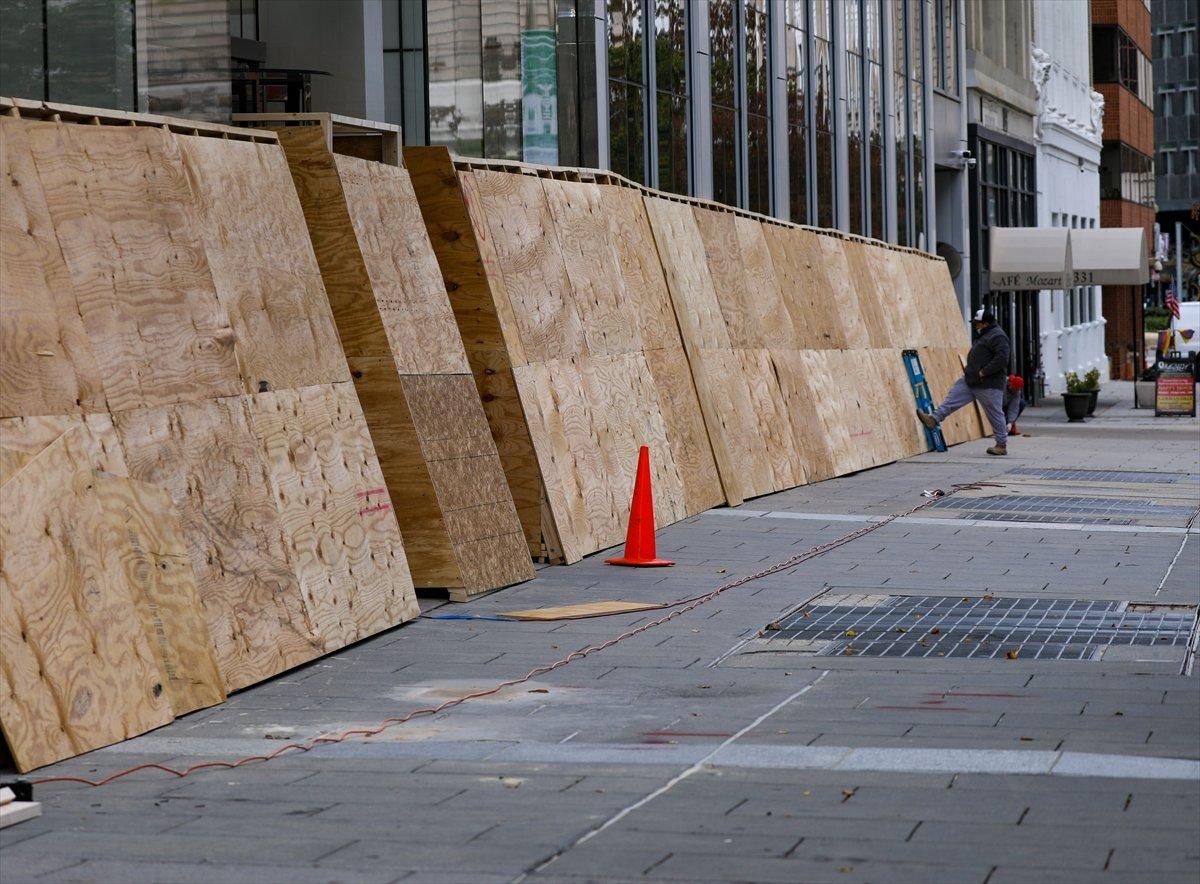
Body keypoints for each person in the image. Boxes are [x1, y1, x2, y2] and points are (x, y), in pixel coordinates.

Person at [917, 309, 1012, 455]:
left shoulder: (998, 336)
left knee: (994, 413)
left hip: (989, 383)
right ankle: (934, 419)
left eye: (978, 323)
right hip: (971, 379)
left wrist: (983, 372)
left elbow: (1002, 358)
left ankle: (1001, 445)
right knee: (952, 398)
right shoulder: (985, 335)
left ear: (986, 323)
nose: (975, 326)